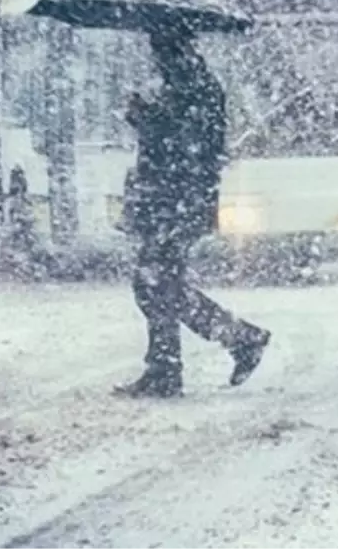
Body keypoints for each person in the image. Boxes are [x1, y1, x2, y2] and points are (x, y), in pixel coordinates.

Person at [114, 31, 271, 399]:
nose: (154, 60)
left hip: (177, 201)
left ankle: (235, 341)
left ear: (173, 51)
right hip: (174, 200)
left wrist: (147, 119)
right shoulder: (190, 85)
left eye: (159, 51)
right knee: (159, 283)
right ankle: (169, 366)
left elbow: (185, 146)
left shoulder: (194, 87)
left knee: (155, 283)